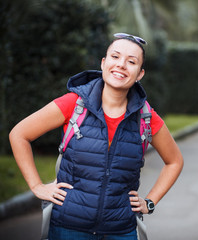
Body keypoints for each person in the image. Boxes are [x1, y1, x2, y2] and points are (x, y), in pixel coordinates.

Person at [9, 33, 184, 239]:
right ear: (103, 63)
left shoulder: (145, 116)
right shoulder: (74, 104)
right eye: (115, 57)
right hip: (69, 227)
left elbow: (174, 161)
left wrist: (150, 201)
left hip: (121, 230)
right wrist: (36, 186)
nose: (121, 65)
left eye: (131, 62)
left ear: (140, 74)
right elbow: (19, 134)